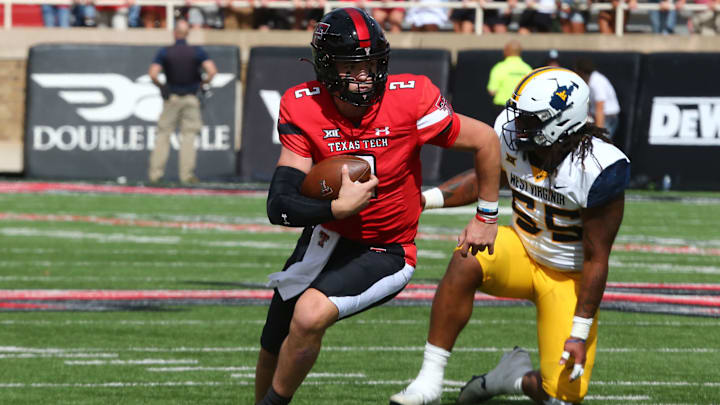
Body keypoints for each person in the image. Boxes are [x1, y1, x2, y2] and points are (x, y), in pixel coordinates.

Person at [255, 7, 501, 405]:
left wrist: (486, 216)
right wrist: (335, 211)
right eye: (351, 66)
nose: (365, 74)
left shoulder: (411, 99)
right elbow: (280, 204)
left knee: (308, 315)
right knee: (273, 338)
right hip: (327, 236)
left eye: (371, 63)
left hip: (388, 248)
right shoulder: (303, 107)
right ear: (326, 66)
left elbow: (487, 140)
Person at [389, 67, 630, 405]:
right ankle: (429, 379)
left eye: (531, 120)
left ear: (560, 123)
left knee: (561, 396)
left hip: (569, 278)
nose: (518, 125)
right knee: (468, 255)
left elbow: (596, 258)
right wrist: (424, 200)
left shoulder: (598, 168)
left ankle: (510, 379)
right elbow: (485, 177)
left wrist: (579, 332)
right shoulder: (512, 133)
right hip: (521, 251)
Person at [147, 19, 217, 184]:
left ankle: (155, 174)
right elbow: (212, 71)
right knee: (189, 137)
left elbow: (152, 74)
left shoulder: (165, 52)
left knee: (163, 135)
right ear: (188, 34)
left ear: (174, 33)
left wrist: (162, 86)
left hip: (172, 97)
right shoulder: (197, 51)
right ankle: (187, 175)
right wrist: (201, 84)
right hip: (191, 98)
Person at [574, 57, 621, 140]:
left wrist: (599, 132)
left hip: (607, 117)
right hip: (599, 116)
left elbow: (600, 107)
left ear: (581, 71)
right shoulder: (589, 81)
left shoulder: (596, 82)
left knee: (600, 141)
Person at [487, 40, 532, 116]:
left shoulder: (499, 68)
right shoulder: (528, 69)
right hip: (522, 109)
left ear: (506, 51)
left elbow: (492, 91)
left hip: (501, 109)